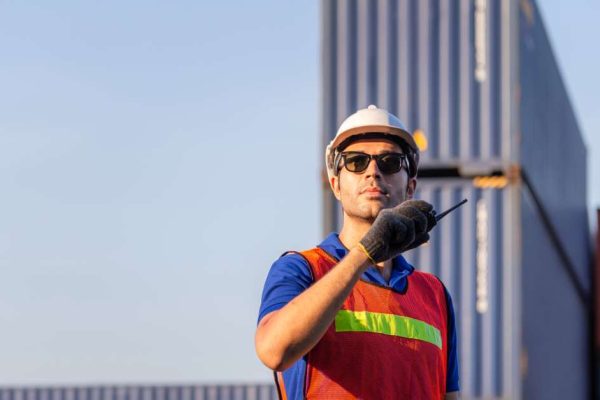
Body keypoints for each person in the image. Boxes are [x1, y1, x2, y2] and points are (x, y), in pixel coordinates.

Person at [255, 105, 460, 399]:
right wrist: (366, 252)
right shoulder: (302, 269)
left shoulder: (434, 295)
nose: (373, 172)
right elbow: (274, 351)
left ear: (411, 187)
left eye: (390, 162)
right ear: (336, 184)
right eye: (356, 162)